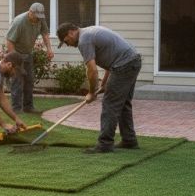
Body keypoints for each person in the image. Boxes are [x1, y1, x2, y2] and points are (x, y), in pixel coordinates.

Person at [56, 23, 142, 154]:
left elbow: (92, 70)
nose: (68, 44)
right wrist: (103, 84)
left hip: (124, 65)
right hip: (132, 61)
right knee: (123, 103)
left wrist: (91, 92)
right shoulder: (89, 32)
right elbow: (111, 60)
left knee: (110, 104)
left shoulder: (84, 40)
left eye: (66, 41)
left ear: (70, 33)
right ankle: (129, 140)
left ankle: (105, 144)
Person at [5, 2, 54, 114]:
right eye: (36, 16)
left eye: (40, 17)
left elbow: (45, 34)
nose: (38, 19)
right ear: (30, 12)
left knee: (29, 80)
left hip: (28, 53)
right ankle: (16, 109)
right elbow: (9, 40)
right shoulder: (19, 22)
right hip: (17, 53)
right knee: (17, 81)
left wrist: (49, 49)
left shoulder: (40, 19)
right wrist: (14, 59)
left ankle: (28, 107)